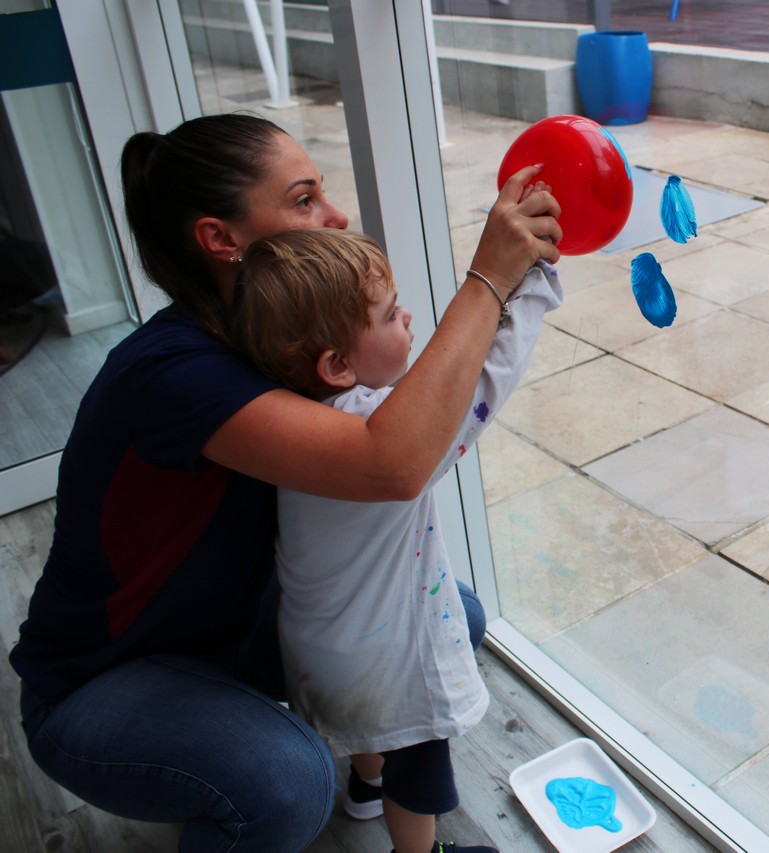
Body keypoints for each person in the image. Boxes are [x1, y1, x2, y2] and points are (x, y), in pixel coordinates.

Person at [7, 113, 561, 853]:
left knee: (448, 616)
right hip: (100, 678)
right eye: (304, 200)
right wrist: (490, 280)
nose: (335, 215)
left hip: (224, 629)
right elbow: (394, 462)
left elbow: (397, 422)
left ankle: (360, 778)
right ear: (220, 238)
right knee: (290, 782)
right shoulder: (175, 375)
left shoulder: (279, 338)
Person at [233, 227, 561, 853]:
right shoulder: (375, 434)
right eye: (390, 315)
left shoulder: (295, 423)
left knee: (370, 732)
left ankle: (365, 787)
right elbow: (482, 387)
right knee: (421, 767)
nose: (407, 317)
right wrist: (529, 294)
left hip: (317, 646)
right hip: (387, 663)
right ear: (337, 365)